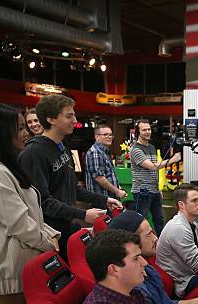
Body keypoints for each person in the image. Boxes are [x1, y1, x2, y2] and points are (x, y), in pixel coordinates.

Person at [0, 103, 60, 304]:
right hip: (12, 263)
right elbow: (19, 223)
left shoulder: (12, 166)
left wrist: (51, 236)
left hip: (32, 258)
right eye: (20, 127)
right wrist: (50, 242)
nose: (26, 132)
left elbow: (32, 215)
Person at [18, 95, 123, 261]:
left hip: (66, 225)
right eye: (69, 116)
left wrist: (104, 199)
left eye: (74, 115)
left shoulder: (63, 146)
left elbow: (72, 187)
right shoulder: (33, 153)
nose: (75, 120)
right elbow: (42, 201)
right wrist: (83, 214)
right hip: (49, 233)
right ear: (50, 119)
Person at [130, 119, 182, 235]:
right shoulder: (136, 150)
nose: (147, 132)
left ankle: (161, 245)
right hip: (142, 191)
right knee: (141, 221)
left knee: (159, 219)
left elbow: (154, 171)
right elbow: (152, 167)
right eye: (144, 130)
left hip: (154, 190)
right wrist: (172, 160)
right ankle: (140, 246)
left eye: (148, 129)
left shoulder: (152, 147)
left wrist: (158, 189)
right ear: (138, 132)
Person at [85, 125, 127, 199]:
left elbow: (109, 175)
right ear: (97, 137)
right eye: (105, 134)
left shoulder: (104, 152)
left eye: (110, 134)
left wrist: (118, 188)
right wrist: (117, 191)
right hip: (101, 200)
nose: (109, 137)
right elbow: (99, 178)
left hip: (108, 199)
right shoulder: (95, 152)